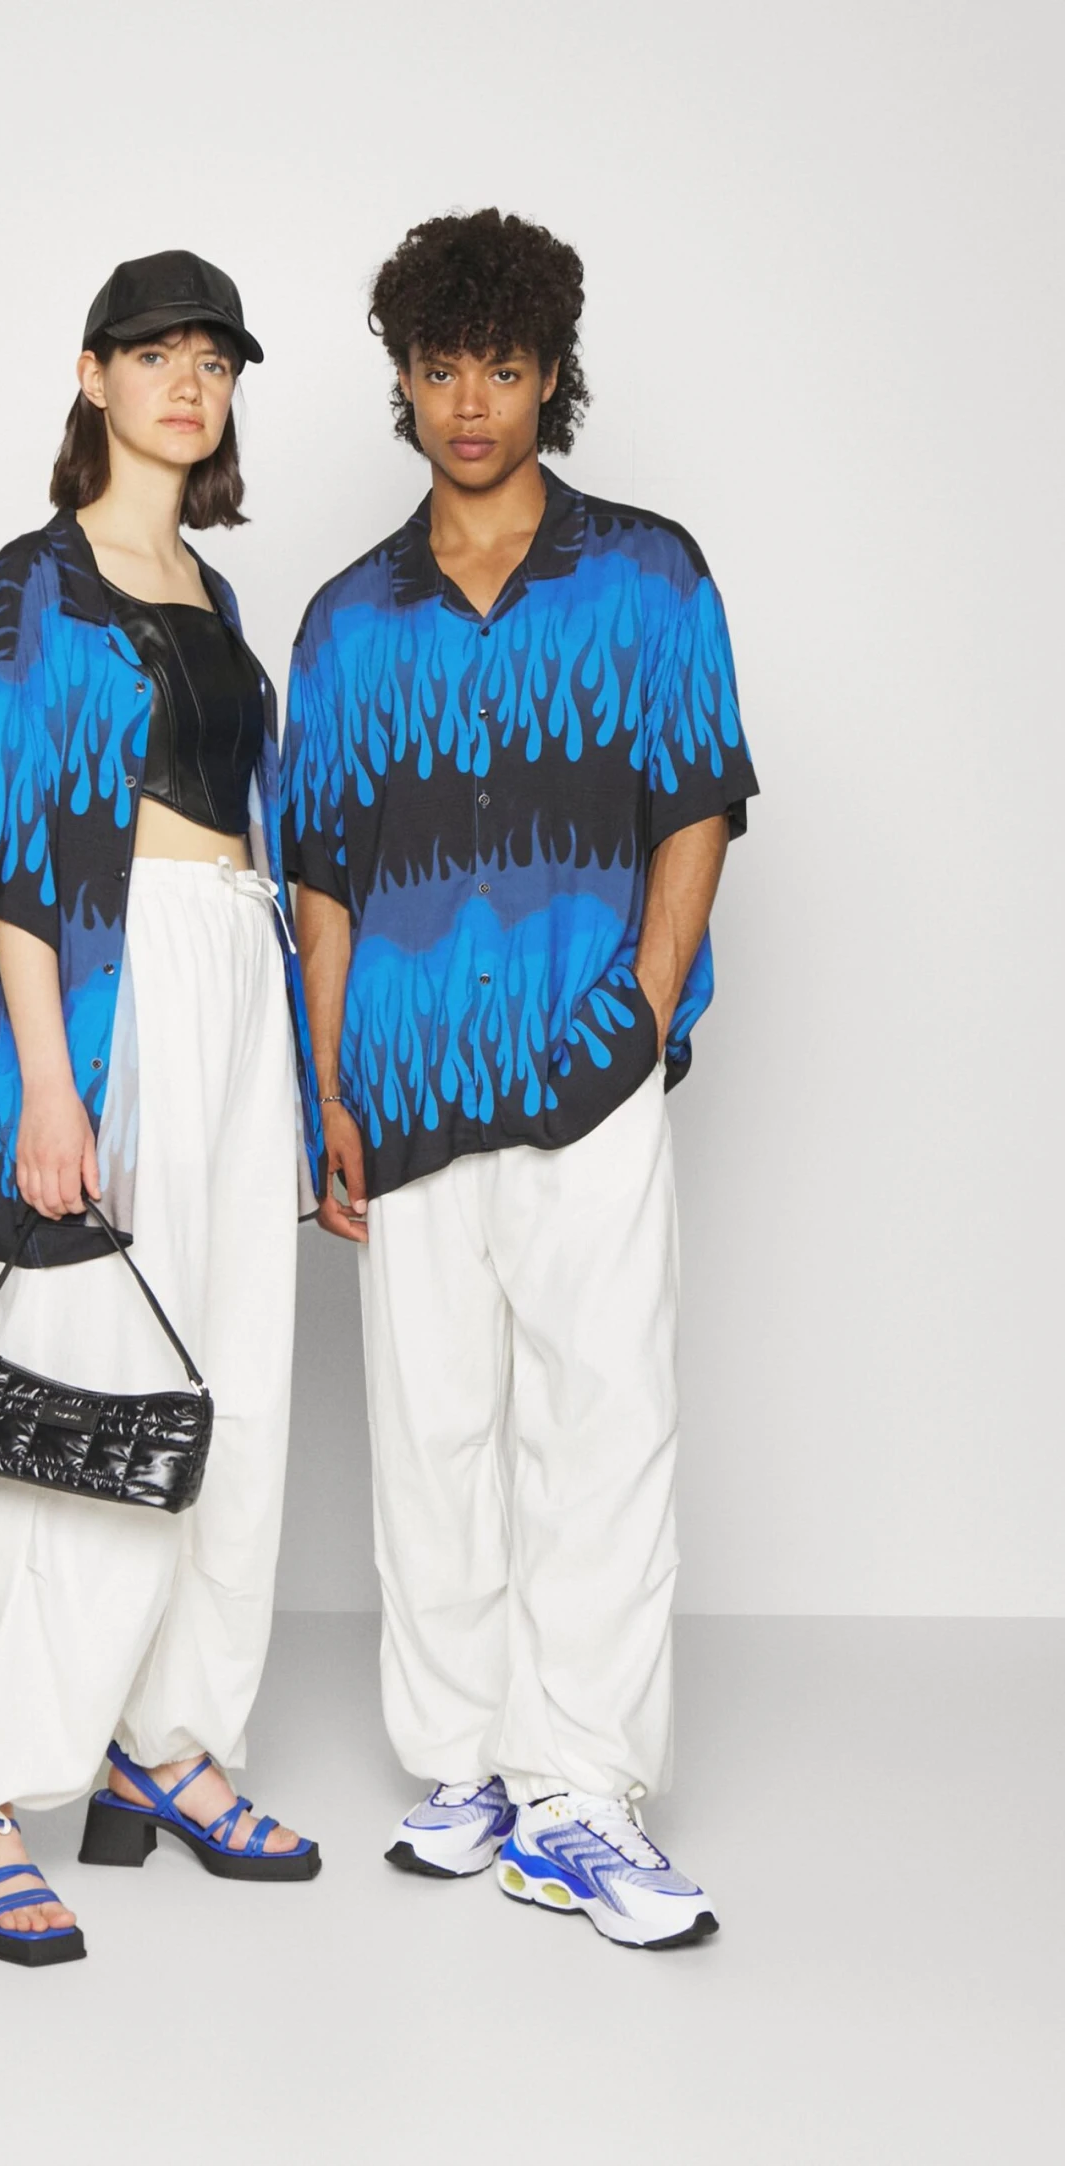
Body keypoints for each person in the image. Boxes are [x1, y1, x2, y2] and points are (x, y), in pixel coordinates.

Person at [281, 209, 758, 1950]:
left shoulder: (651, 577)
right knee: (432, 1436)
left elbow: (697, 798)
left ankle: (582, 1786)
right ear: (403, 382)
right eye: (440, 367)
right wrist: (327, 1086)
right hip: (405, 1083)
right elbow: (321, 873)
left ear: (553, 374)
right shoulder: (347, 622)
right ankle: (470, 1757)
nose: (469, 401)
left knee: (602, 1423)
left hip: (584, 1067)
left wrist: (641, 1007)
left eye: (502, 365)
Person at [0, 251, 324, 1967]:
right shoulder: (39, 582)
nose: (188, 381)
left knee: (236, 1366)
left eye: (213, 358)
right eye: (156, 353)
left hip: (237, 967)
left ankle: (167, 1741)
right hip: (111, 980)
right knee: (82, 1383)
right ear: (95, 376)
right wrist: (51, 1080)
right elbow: (13, 844)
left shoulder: (213, 589)